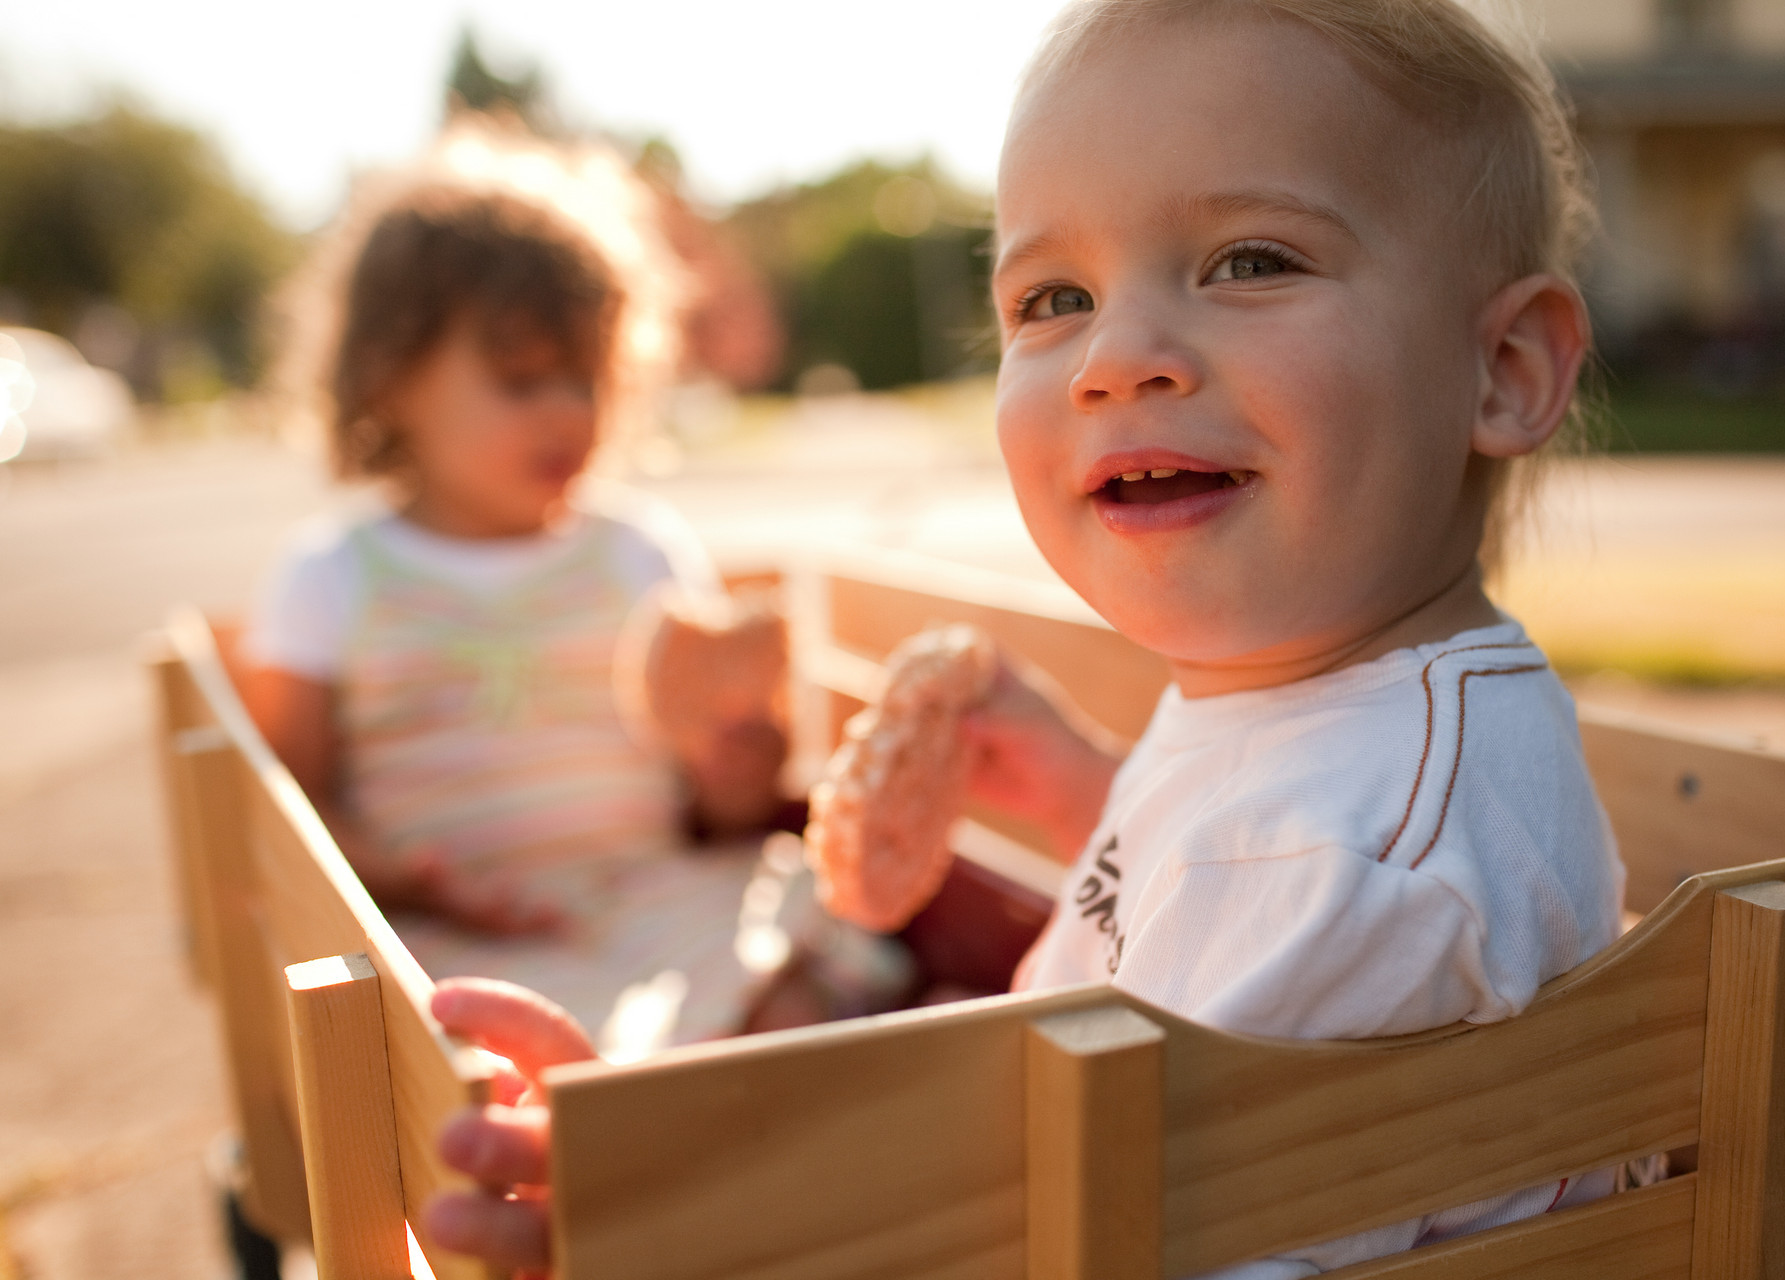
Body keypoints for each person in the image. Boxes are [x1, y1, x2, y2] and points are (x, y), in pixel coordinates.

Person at [423, 0, 1629, 1273]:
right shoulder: (1341, 723)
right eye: (1053, 297)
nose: (1118, 357)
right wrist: (1082, 792)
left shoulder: (1342, 854)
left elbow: (1095, 1223)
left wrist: (688, 1204)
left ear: (1500, 367)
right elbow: (1217, 911)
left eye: (1252, 261)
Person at [245, 119, 821, 1057]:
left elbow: (712, 812)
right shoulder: (335, 576)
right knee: (501, 1059)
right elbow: (296, 812)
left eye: (588, 379)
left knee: (784, 996)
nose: (567, 410)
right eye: (521, 380)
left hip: (650, 892)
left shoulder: (638, 552)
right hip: (458, 929)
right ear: (392, 380)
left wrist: (734, 776)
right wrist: (409, 878)